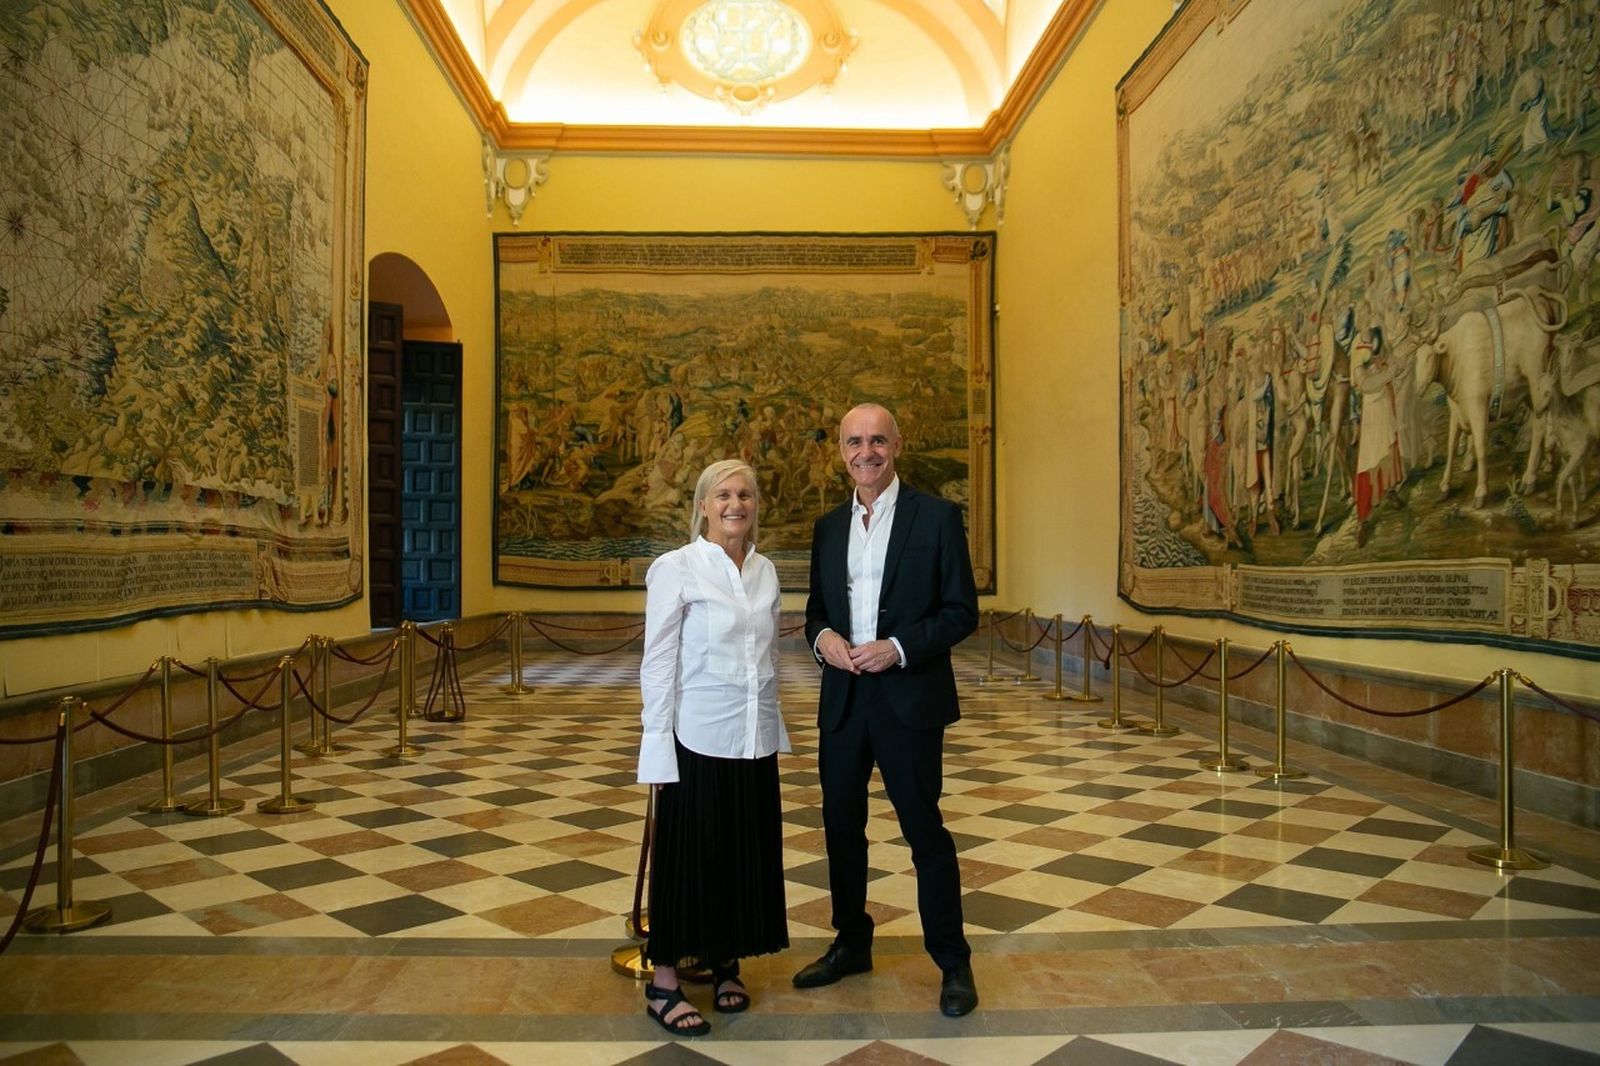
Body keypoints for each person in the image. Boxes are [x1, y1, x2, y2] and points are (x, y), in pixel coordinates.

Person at [793, 402, 980, 1018]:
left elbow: (960, 612)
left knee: (924, 831)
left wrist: (897, 648)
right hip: (844, 700)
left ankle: (953, 962)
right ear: (841, 451)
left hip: (909, 699)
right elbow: (817, 612)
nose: (865, 452)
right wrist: (823, 641)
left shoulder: (937, 518)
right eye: (853, 442)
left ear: (896, 445)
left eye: (876, 440)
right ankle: (851, 941)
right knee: (842, 829)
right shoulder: (827, 527)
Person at [637, 459, 791, 1036]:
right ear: (702, 505)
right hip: (694, 735)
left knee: (742, 851)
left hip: (754, 736)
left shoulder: (766, 570)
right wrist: (655, 745)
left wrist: (774, 723)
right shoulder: (675, 568)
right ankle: (666, 981)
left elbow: (768, 658)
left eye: (745, 495)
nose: (736, 505)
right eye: (723, 495)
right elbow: (657, 661)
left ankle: (727, 963)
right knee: (687, 857)